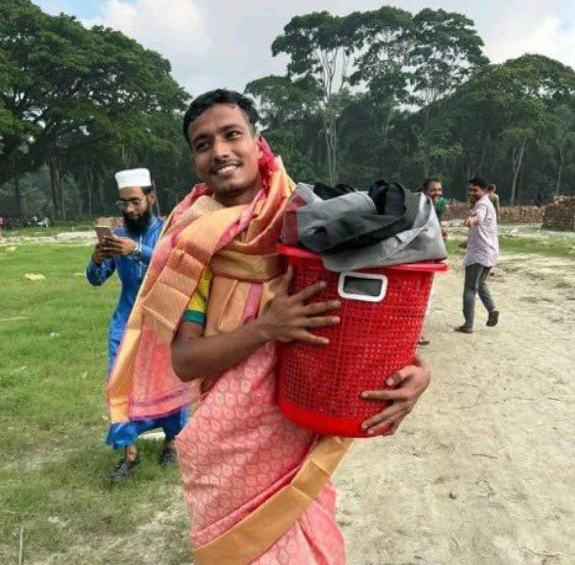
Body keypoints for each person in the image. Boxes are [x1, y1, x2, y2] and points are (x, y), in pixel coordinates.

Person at [107, 89, 432, 563]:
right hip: (225, 446)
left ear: (258, 141)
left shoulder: (312, 221)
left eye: (231, 134)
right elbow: (184, 359)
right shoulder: (189, 244)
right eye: (202, 144)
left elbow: (373, 318)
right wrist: (267, 327)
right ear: (194, 161)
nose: (218, 151)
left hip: (298, 427)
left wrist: (419, 372)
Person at [87, 168, 187, 481]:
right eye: (123, 204)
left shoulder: (169, 232)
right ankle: (129, 453)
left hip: (162, 322)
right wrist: (98, 259)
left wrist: (138, 251)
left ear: (151, 197)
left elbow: (175, 269)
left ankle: (172, 441)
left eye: (134, 202)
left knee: (168, 383)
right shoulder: (118, 237)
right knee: (120, 383)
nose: (129, 209)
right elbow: (94, 280)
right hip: (125, 323)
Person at [455, 176, 500, 334]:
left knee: (469, 288)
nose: (471, 193)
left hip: (479, 253)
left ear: (485, 190)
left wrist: (471, 220)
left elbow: (477, 218)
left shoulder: (481, 205)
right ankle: (492, 309)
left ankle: (468, 324)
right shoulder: (487, 204)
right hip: (489, 251)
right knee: (480, 284)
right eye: (470, 190)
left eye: (475, 190)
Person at [418, 177, 448, 346]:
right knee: (422, 295)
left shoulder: (433, 207)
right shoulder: (420, 208)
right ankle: (416, 333)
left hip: (428, 259)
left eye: (439, 190)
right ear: (425, 190)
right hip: (420, 259)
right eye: (433, 190)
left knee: (426, 294)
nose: (437, 193)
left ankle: (417, 331)